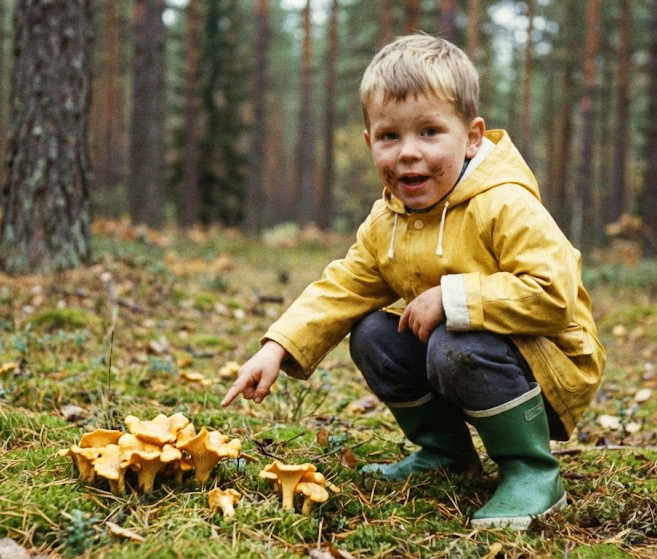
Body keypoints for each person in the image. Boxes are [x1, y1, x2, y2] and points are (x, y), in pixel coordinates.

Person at [222, 34, 605, 530]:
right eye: (389, 136)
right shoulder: (388, 222)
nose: (408, 153)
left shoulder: (504, 203)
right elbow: (342, 288)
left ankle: (531, 470)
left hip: (549, 371)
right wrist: (277, 347)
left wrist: (453, 298)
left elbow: (554, 295)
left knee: (453, 340)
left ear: (471, 137)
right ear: (369, 143)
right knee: (375, 334)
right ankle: (446, 454)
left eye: (429, 132)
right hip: (471, 359)